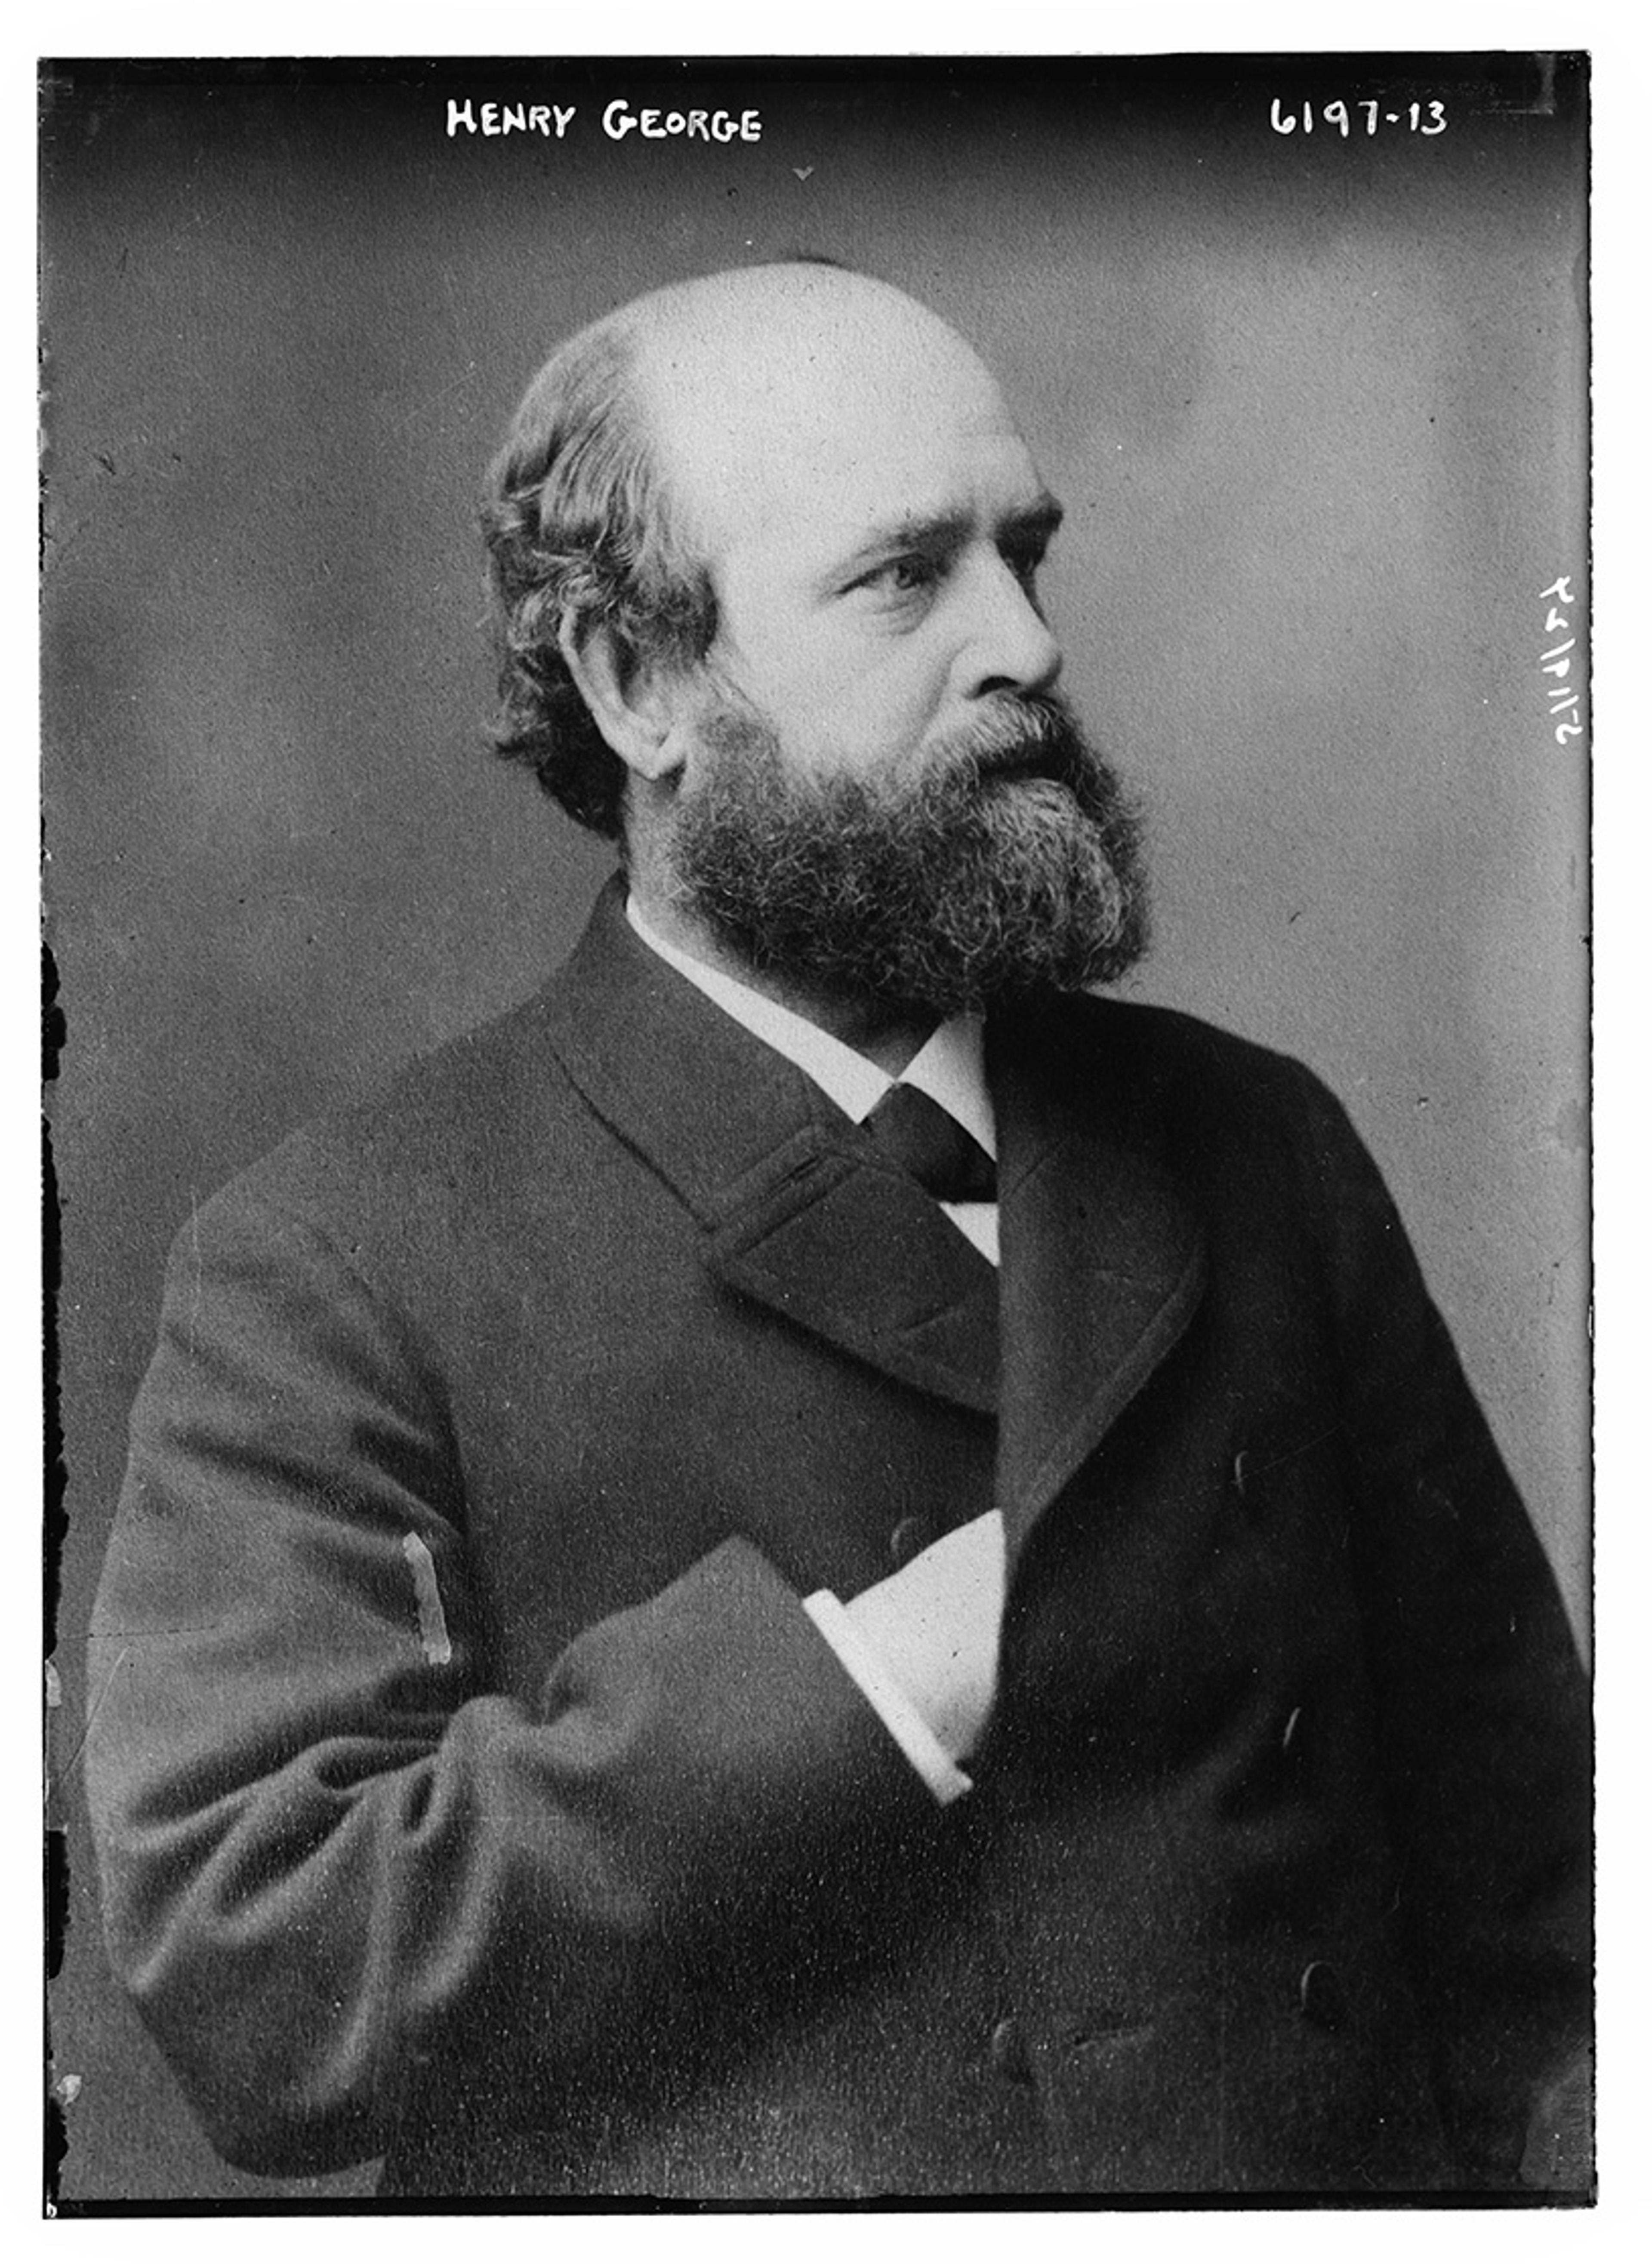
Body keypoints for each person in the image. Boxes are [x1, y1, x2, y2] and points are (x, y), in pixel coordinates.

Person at [86, 262, 1590, 2199]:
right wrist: (890, 1676)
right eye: (905, 577)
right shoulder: (333, 1256)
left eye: (1026, 557)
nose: (1027, 647)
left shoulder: (1256, 1147)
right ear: (637, 684)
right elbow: (268, 1972)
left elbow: (1551, 1926)